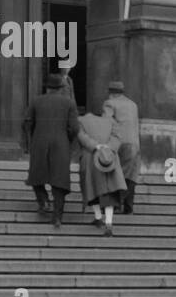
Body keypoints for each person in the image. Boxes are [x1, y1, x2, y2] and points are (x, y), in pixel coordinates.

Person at [22, 73, 80, 228]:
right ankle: (57, 217)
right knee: (59, 180)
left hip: (39, 142)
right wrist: (67, 139)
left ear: (46, 87)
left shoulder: (36, 101)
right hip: (61, 144)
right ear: (61, 88)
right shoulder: (69, 103)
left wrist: (31, 140)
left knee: (36, 175)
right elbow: (75, 127)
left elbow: (27, 123)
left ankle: (43, 201)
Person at [75, 109, 126, 237]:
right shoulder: (111, 121)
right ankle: (109, 223)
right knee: (109, 192)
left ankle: (98, 218)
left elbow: (81, 136)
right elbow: (117, 138)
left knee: (91, 188)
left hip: (90, 158)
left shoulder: (81, 121)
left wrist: (96, 146)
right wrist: (108, 147)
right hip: (109, 159)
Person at [102, 80, 140, 214]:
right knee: (130, 175)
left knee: (113, 172)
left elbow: (106, 123)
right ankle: (128, 207)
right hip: (134, 144)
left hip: (118, 144)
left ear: (111, 93)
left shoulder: (109, 103)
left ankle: (115, 203)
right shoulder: (133, 105)